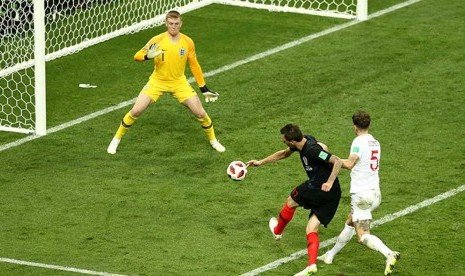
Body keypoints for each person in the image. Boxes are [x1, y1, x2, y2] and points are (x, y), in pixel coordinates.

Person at [107, 10, 225, 154]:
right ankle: (116, 140)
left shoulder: (187, 42)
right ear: (166, 24)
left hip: (179, 83)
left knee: (200, 113)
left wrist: (204, 88)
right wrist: (147, 57)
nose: (173, 26)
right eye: (171, 24)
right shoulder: (157, 40)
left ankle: (213, 141)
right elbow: (137, 56)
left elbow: (194, 64)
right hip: (158, 81)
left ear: (181, 24)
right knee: (136, 110)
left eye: (176, 24)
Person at [247, 123, 343, 276]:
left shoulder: (312, 150)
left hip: (318, 188)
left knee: (291, 200)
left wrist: (329, 181)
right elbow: (284, 154)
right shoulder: (305, 141)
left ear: (292, 141)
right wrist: (260, 162)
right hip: (333, 194)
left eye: (284, 141)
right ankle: (311, 265)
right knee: (311, 228)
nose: (283, 143)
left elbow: (337, 161)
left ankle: (277, 231)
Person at [317, 111, 400, 275]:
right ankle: (330, 255)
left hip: (362, 196)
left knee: (362, 236)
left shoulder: (358, 142)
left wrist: (324, 155)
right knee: (350, 222)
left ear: (354, 126)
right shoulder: (375, 142)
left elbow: (348, 164)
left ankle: (389, 253)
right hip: (375, 194)